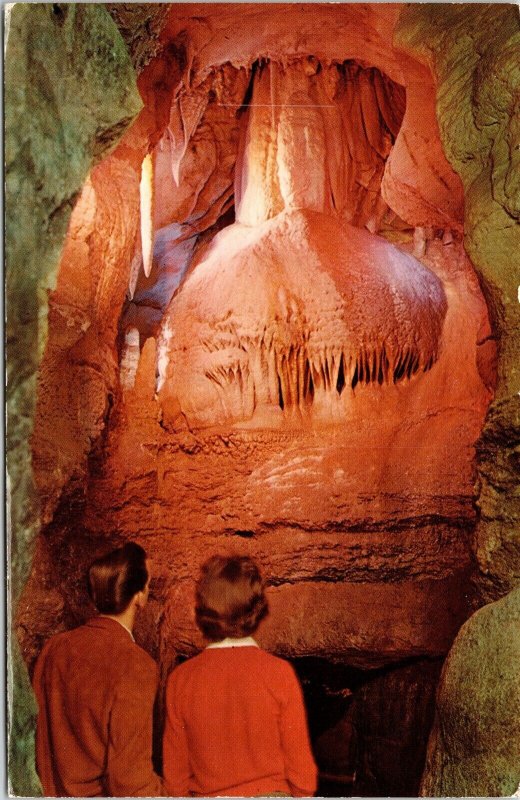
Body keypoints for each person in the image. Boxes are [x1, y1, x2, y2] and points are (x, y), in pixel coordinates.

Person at [162, 555, 318, 797]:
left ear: (201, 613)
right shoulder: (279, 673)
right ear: (256, 611)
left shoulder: (181, 679)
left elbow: (175, 780)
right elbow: (303, 775)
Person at [32, 542, 163, 797]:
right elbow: (129, 781)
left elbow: (41, 747)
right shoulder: (136, 664)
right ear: (139, 596)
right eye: (148, 584)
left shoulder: (55, 647)